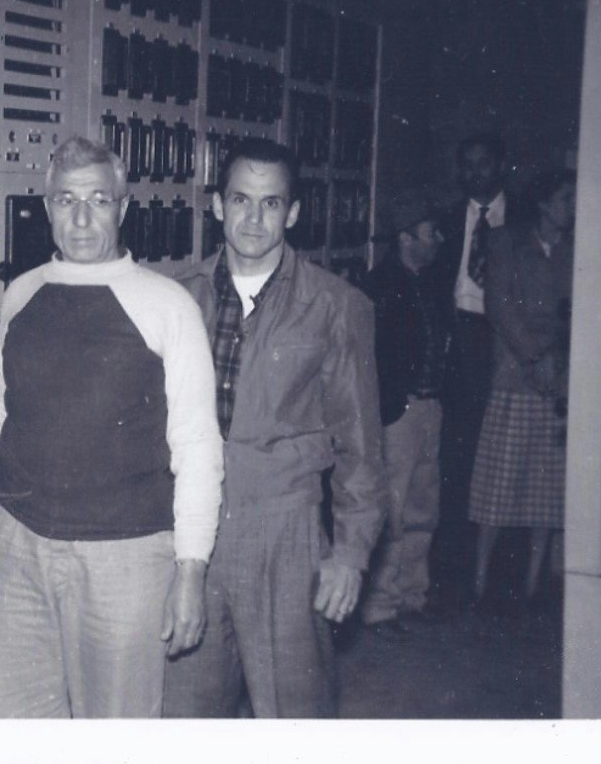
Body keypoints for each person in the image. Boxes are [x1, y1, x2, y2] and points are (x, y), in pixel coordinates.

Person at [0, 136, 222, 718]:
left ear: (122, 210)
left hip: (123, 560)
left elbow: (197, 448)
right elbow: (3, 408)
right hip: (17, 549)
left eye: (98, 200)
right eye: (66, 200)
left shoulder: (168, 305)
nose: (80, 217)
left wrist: (192, 568)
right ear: (47, 208)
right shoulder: (22, 293)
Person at [162, 139, 385, 718]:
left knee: (294, 717)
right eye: (240, 200)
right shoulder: (181, 299)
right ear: (216, 205)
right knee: (185, 714)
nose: (253, 218)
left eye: (270, 203)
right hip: (195, 533)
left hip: (288, 537)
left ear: (292, 213)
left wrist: (352, 555)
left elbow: (361, 446)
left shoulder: (335, 306)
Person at [468, 169, 576, 609]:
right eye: (568, 197)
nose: (574, 205)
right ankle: (476, 584)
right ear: (546, 203)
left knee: (547, 492)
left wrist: (558, 359)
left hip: (559, 382)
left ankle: (533, 588)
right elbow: (500, 307)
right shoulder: (505, 241)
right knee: (499, 487)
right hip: (515, 377)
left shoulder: (578, 247)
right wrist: (535, 356)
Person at [359, 189, 451, 636]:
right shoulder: (378, 287)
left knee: (423, 507)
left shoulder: (433, 283)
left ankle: (414, 593)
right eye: (432, 232)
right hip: (400, 413)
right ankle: (380, 606)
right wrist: (388, 411)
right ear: (406, 237)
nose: (439, 239)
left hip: (431, 407)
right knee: (391, 510)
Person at [431, 131, 513, 606]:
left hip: (499, 336)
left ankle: (495, 566)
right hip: (455, 333)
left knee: (497, 449)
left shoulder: (519, 216)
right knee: (455, 451)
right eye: (468, 165)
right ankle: (452, 564)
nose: (475, 173)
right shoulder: (447, 217)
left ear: (501, 165)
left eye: (484, 163)